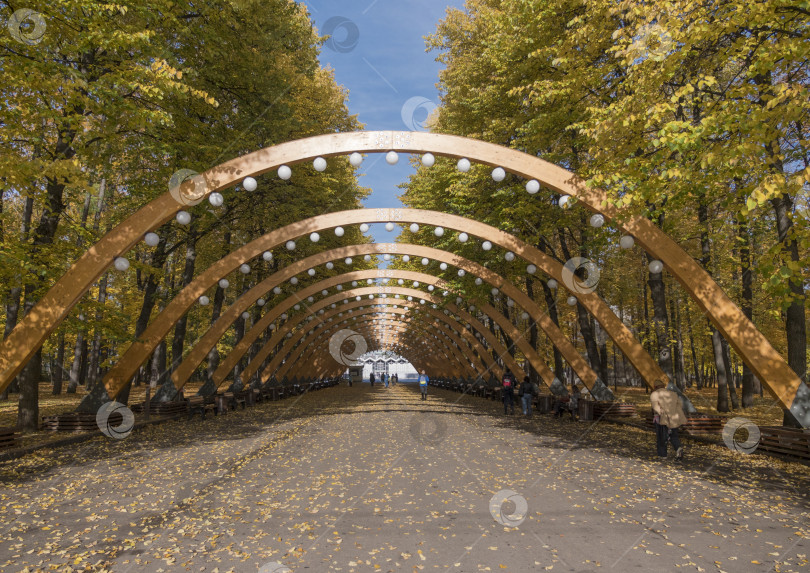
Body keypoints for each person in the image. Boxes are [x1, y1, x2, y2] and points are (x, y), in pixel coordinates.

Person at [650, 380, 685, 459]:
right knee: (674, 436)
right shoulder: (673, 394)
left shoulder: (655, 394)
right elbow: (680, 404)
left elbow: (655, 407)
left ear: (655, 387)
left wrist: (662, 413)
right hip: (673, 418)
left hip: (661, 419)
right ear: (663, 386)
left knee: (661, 436)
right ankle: (678, 448)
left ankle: (662, 455)